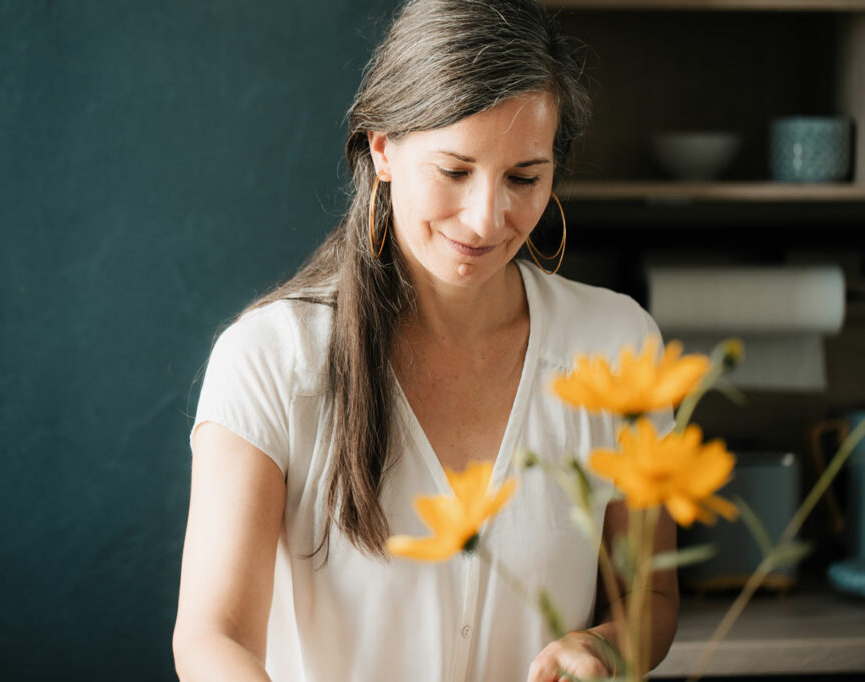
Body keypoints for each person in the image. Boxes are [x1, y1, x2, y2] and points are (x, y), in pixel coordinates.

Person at [173, 0, 679, 680]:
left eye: (524, 177)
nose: (486, 217)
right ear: (383, 149)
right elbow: (211, 639)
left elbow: (651, 598)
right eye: (454, 170)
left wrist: (602, 649)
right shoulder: (267, 358)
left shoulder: (619, 345)